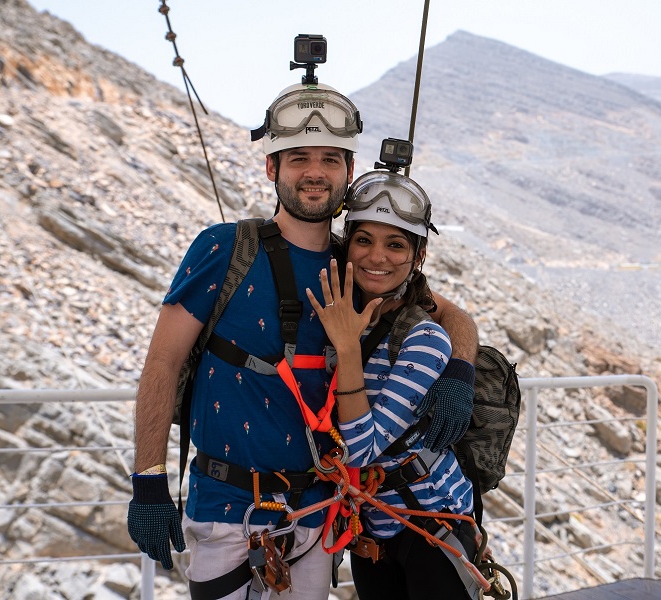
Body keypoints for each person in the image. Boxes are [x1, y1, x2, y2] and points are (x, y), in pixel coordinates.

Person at [127, 79, 478, 600]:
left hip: (317, 517)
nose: (315, 172)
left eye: (331, 160)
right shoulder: (225, 250)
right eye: (298, 159)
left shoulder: (358, 265)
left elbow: (454, 316)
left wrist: (460, 370)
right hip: (225, 507)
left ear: (348, 172)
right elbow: (162, 363)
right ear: (272, 168)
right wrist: (149, 481)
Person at [306, 167, 478, 600]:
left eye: (395, 244)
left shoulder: (423, 338)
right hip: (371, 528)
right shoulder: (346, 319)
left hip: (431, 525)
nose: (377, 257)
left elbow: (361, 449)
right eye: (364, 240)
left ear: (418, 257)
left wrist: (346, 350)